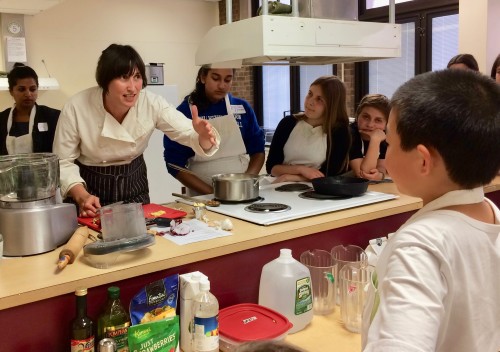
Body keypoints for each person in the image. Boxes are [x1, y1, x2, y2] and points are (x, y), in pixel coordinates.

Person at [362, 69, 500, 352]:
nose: (386, 150)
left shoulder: (420, 246)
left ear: (423, 161)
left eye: (390, 142)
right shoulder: (490, 212)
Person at [53, 44, 219, 218]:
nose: (132, 88)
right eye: (124, 78)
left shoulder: (152, 103)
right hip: (91, 193)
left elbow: (188, 133)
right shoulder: (76, 107)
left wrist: (203, 137)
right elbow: (63, 162)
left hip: (134, 188)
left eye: (137, 77)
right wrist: (82, 196)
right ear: (105, 80)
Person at [164, 65, 265, 195]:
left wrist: (245, 182)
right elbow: (174, 165)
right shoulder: (184, 112)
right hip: (203, 195)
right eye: (216, 78)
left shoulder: (242, 108)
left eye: (228, 80)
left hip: (241, 192)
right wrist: (213, 194)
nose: (222, 86)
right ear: (203, 77)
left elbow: (258, 151)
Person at [266, 75, 351, 183]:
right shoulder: (288, 123)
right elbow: (271, 167)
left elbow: (329, 174)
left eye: (319, 99)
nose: (310, 102)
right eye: (310, 94)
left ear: (332, 105)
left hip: (317, 190)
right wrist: (301, 169)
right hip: (279, 185)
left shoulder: (339, 132)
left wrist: (290, 177)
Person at [0, 63, 60, 155]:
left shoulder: (52, 117)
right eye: (21, 89)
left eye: (32, 89)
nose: (28, 94)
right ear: (11, 91)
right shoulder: (2, 119)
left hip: (43, 169)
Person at [348, 94, 390, 181]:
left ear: (386, 124)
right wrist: (375, 141)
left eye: (378, 120)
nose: (370, 125)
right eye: (366, 117)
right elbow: (363, 174)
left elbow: (381, 166)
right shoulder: (350, 134)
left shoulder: (385, 136)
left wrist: (379, 175)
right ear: (357, 116)